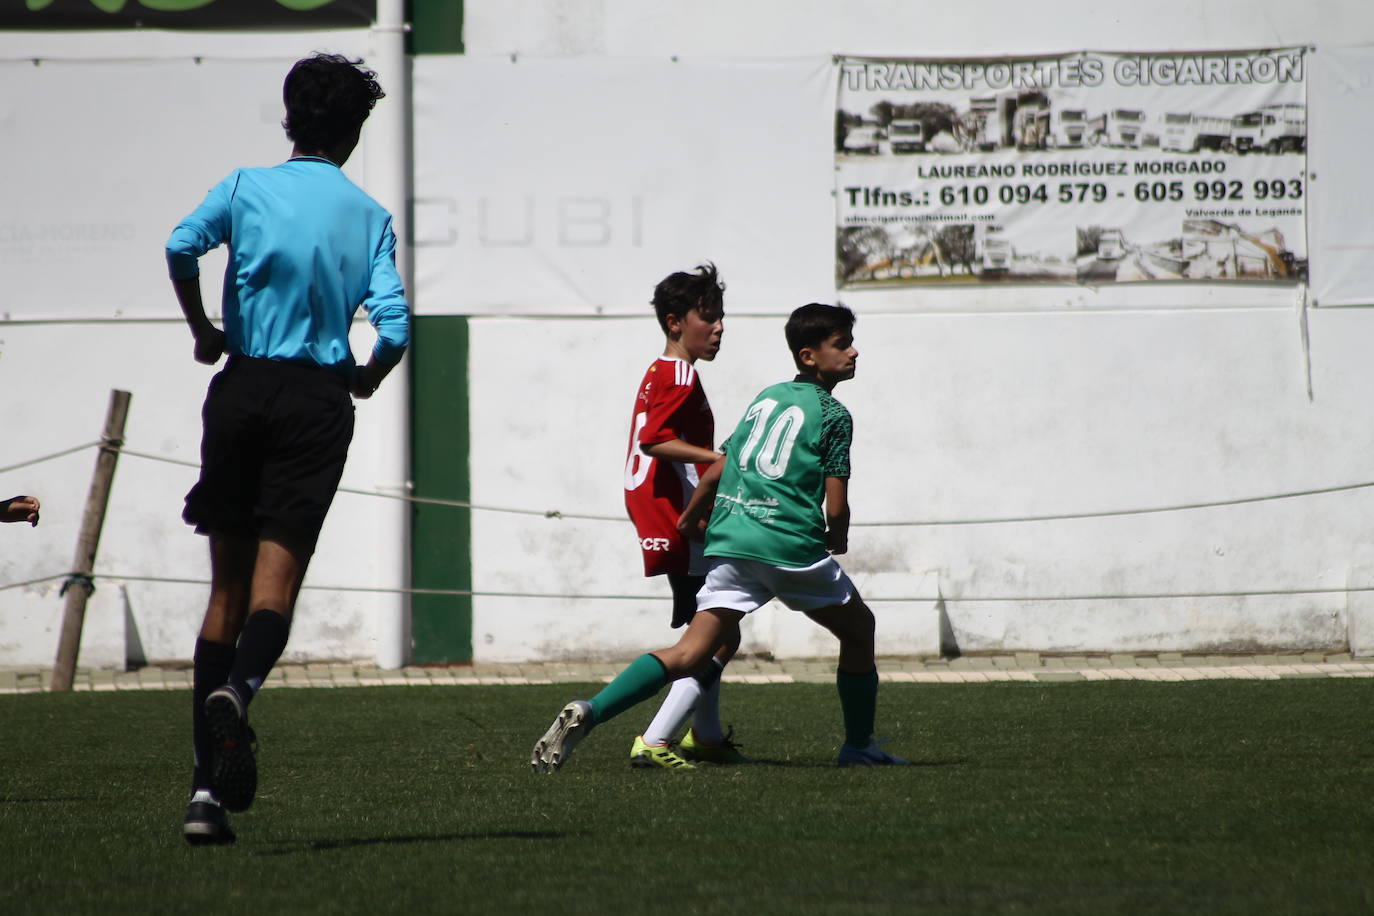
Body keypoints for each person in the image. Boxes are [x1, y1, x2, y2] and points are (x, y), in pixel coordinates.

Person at [166, 53, 410, 845]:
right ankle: (241, 689)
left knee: (224, 597)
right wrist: (366, 377)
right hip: (316, 398)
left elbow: (179, 245)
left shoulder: (243, 187)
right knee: (277, 588)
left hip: (242, 389)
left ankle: (204, 796)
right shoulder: (368, 214)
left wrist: (205, 329)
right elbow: (397, 328)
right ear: (355, 128)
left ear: (289, 117)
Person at [532, 303, 908, 773]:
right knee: (860, 629)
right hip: (788, 546)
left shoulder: (766, 397)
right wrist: (838, 535)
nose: (854, 352)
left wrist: (691, 520)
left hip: (732, 541)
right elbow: (836, 501)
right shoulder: (833, 414)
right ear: (809, 356)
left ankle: (592, 710)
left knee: (690, 652)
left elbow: (718, 467)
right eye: (842, 344)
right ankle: (858, 746)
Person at [622, 263, 745, 770]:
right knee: (716, 634)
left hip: (666, 514)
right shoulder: (677, 372)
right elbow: (653, 440)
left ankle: (708, 736)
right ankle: (658, 738)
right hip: (680, 518)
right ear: (675, 322)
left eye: (720, 318)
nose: (718, 328)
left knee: (713, 628)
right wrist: (717, 460)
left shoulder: (663, 370)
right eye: (708, 317)